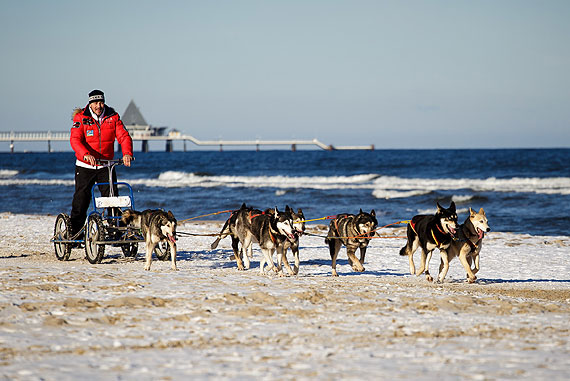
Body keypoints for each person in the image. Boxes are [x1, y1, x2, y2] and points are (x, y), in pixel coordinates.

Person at [69, 89, 134, 237]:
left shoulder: (113, 117)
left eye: (101, 102)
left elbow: (123, 136)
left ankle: (115, 228)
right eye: (95, 103)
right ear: (90, 104)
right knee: (82, 199)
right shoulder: (81, 118)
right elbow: (75, 140)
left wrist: (127, 153)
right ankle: (75, 231)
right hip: (86, 166)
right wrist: (85, 155)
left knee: (112, 199)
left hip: (106, 165)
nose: (99, 106)